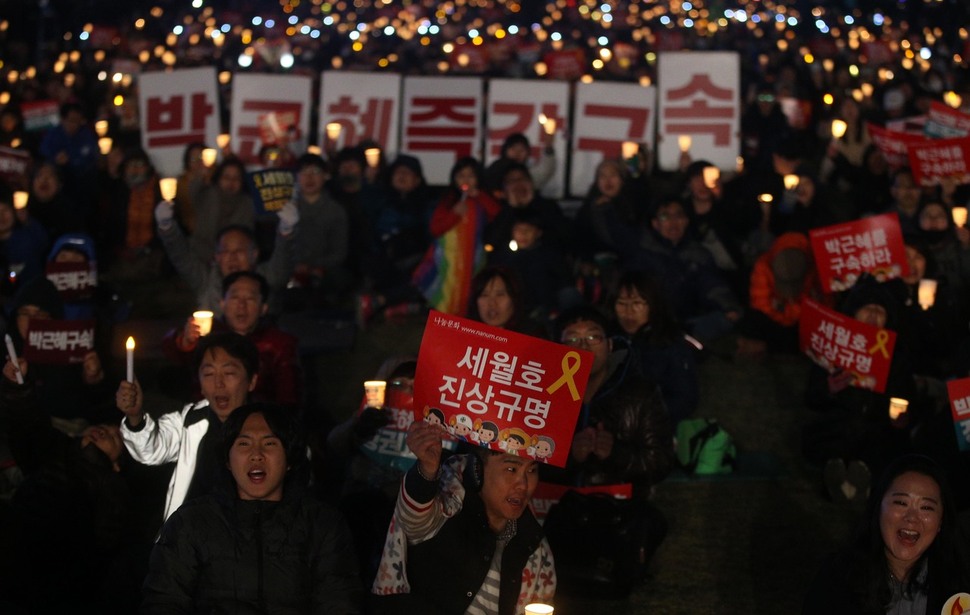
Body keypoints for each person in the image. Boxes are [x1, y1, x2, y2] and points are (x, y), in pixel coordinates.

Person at [142, 402, 363, 613]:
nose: (256, 455)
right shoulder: (190, 523)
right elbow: (165, 601)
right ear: (228, 459)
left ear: (289, 460)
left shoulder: (322, 525)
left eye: (269, 443)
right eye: (244, 444)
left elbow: (339, 602)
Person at [371, 421, 556, 614]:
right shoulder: (447, 510)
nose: (523, 484)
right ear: (477, 470)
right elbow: (413, 519)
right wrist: (426, 470)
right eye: (511, 469)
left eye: (532, 470)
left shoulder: (532, 543)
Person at [116, 331, 259, 523]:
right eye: (208, 373)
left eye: (229, 373)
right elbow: (151, 449)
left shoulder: (271, 429)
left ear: (252, 381)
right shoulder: (190, 419)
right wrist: (135, 416)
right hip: (186, 543)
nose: (218, 383)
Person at [802, 454, 970, 614]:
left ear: (941, 521)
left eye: (926, 507)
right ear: (878, 508)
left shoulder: (960, 585)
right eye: (901, 503)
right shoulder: (837, 579)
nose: (912, 518)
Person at [162, 270, 303, 409]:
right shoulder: (207, 335)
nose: (241, 305)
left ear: (263, 308)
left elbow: (289, 398)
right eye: (235, 298)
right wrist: (185, 342)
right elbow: (172, 350)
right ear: (222, 303)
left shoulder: (279, 343)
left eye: (250, 298)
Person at [412, 156, 501, 315]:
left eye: (471, 175)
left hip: (473, 256)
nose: (465, 179)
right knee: (446, 289)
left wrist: (479, 195)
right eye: (461, 175)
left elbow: (496, 213)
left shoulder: (481, 200)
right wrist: (453, 214)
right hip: (449, 258)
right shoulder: (448, 201)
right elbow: (436, 228)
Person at [611, 270, 699, 423]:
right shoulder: (608, 338)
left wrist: (642, 417)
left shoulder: (670, 343)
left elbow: (684, 399)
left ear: (653, 305)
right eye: (621, 304)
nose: (628, 312)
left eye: (637, 304)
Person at [188, 156, 255, 264]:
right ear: (219, 178)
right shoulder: (208, 194)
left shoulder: (247, 203)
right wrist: (202, 175)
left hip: (232, 261)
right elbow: (193, 190)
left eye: (236, 178)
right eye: (226, 177)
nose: (231, 182)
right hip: (200, 256)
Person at [467, 265, 547, 338]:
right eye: (484, 295)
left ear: (514, 298)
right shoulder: (465, 334)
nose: (492, 303)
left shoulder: (533, 337)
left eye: (500, 295)